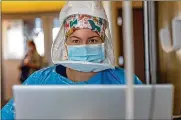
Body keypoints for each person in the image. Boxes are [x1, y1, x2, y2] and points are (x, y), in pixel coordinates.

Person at [1, 1, 142, 119]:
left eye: (93, 40)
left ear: (103, 41)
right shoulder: (39, 81)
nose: (85, 47)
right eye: (76, 40)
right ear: (65, 44)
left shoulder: (124, 81)